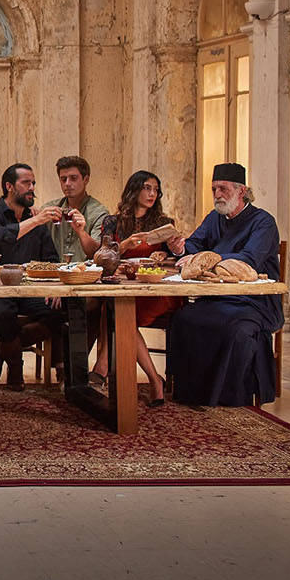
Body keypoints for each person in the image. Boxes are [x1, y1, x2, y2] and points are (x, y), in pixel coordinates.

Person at [167, 163, 283, 406]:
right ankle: (191, 392)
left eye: (223, 189)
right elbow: (195, 244)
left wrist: (208, 259)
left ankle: (227, 395)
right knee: (182, 319)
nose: (217, 195)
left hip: (254, 301)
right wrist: (181, 248)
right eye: (214, 189)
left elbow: (250, 259)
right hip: (217, 297)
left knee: (234, 329)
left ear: (242, 191)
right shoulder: (214, 218)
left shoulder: (263, 222)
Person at [87, 170, 179, 405]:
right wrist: (126, 245)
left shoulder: (164, 224)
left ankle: (102, 367)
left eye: (156, 190)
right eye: (147, 188)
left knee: (118, 312)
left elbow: (174, 258)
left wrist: (165, 254)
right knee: (115, 306)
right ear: (134, 190)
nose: (152, 194)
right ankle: (155, 380)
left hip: (153, 289)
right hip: (124, 285)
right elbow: (102, 256)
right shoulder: (112, 222)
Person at [0, 163, 65, 391]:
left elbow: (51, 259)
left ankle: (2, 346)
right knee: (3, 314)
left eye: (33, 183)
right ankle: (15, 368)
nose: (32, 188)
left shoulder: (36, 219)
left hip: (29, 288)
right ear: (9, 186)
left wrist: (55, 288)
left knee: (63, 311)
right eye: (26, 183)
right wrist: (35, 220)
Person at [44, 155, 109, 262]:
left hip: (83, 270)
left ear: (86, 179)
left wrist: (81, 232)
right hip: (52, 270)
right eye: (63, 179)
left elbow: (96, 253)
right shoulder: (51, 208)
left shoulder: (98, 213)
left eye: (73, 178)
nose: (67, 184)